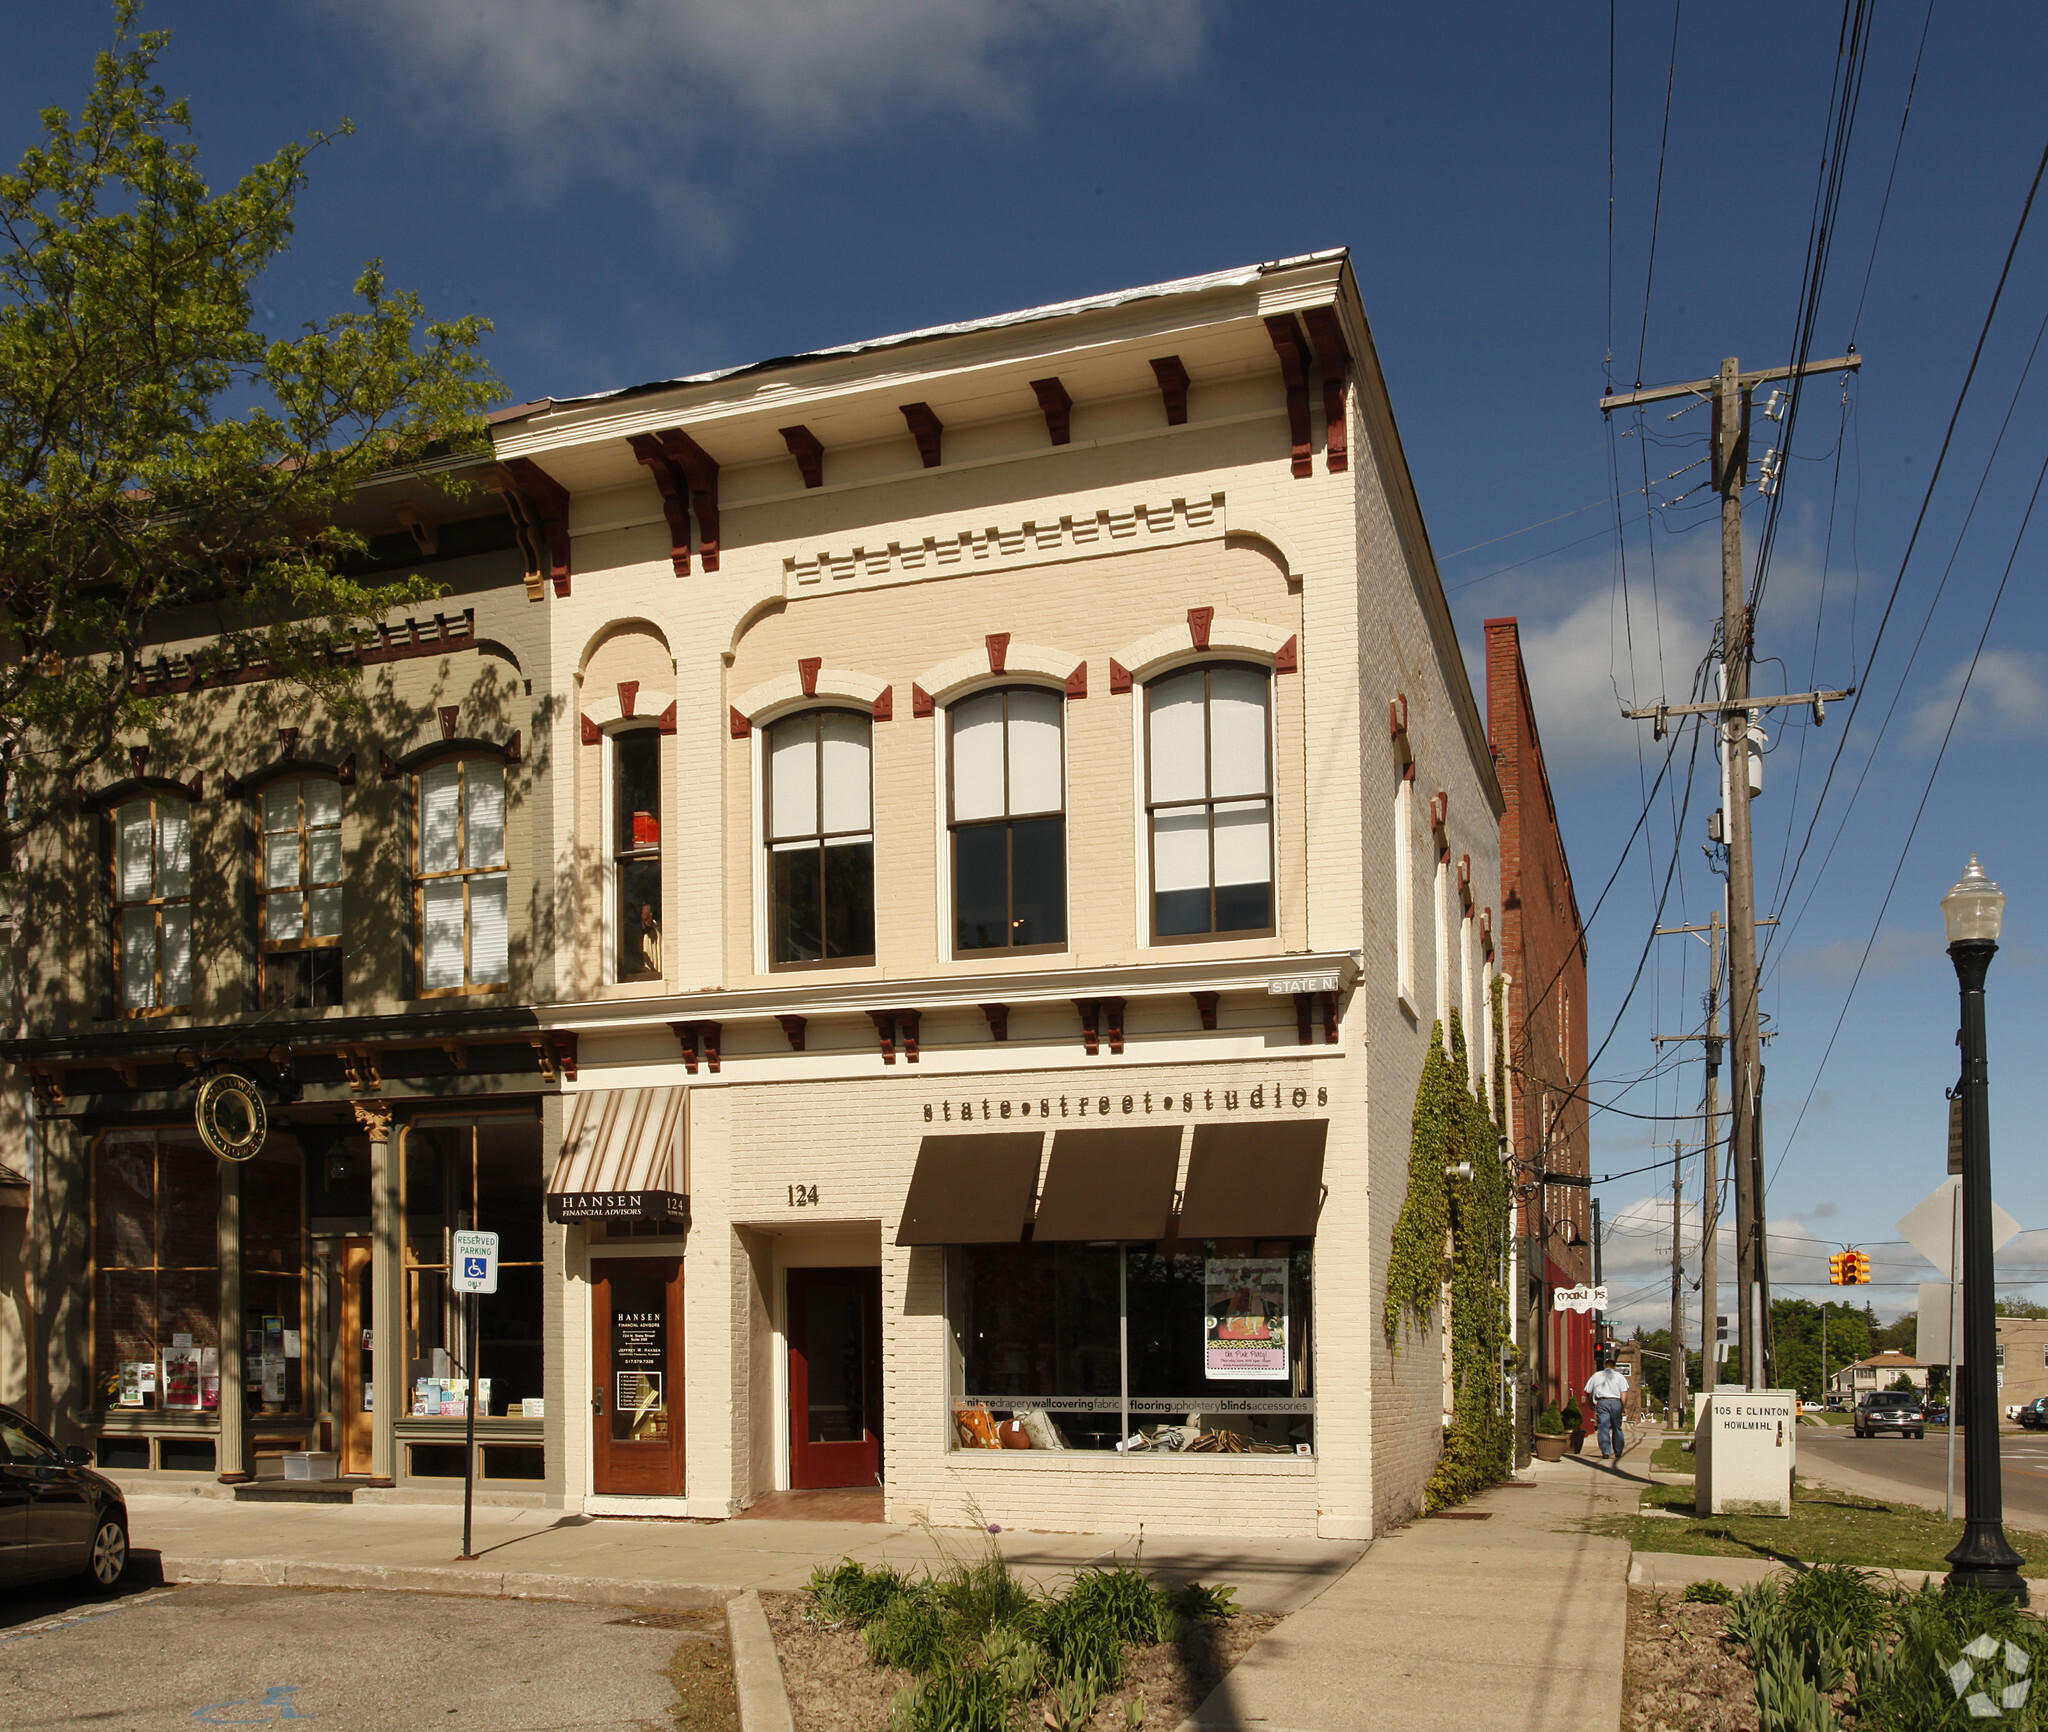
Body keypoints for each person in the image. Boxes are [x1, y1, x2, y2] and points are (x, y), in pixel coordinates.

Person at [1585, 1361, 1629, 1462]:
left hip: (1602, 1402)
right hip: (1616, 1402)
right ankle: (1618, 1451)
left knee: (1603, 1427)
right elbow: (1624, 1393)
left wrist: (1590, 1401)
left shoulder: (1596, 1375)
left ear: (1605, 1366)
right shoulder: (1619, 1377)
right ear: (1615, 1367)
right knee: (1616, 1427)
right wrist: (1623, 1407)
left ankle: (1605, 1451)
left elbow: (1588, 1390)